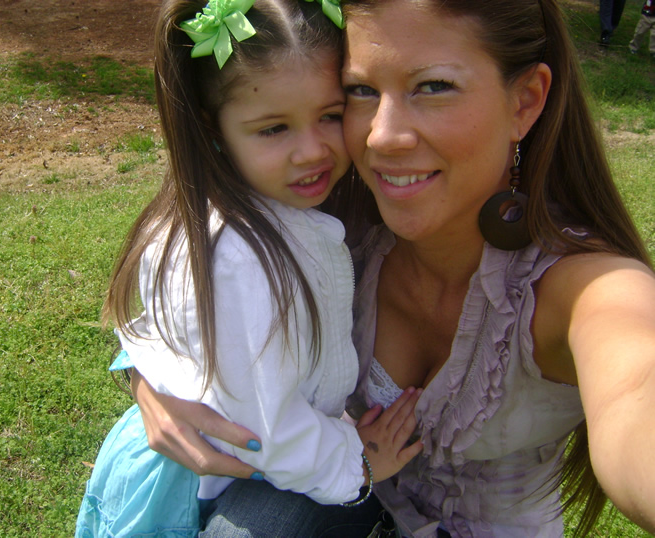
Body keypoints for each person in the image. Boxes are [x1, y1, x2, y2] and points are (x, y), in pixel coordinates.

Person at [129, 0, 655, 536]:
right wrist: (148, 381)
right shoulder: (333, 218)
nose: (381, 136)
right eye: (360, 90)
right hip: (341, 500)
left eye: (433, 86)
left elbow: (638, 382)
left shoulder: (584, 287)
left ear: (525, 101)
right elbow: (193, 279)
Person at [74, 0, 426, 536]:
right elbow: (266, 430)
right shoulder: (237, 258)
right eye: (273, 128)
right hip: (195, 478)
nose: (311, 151)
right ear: (212, 128)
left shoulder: (247, 209)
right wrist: (356, 462)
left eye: (330, 116)